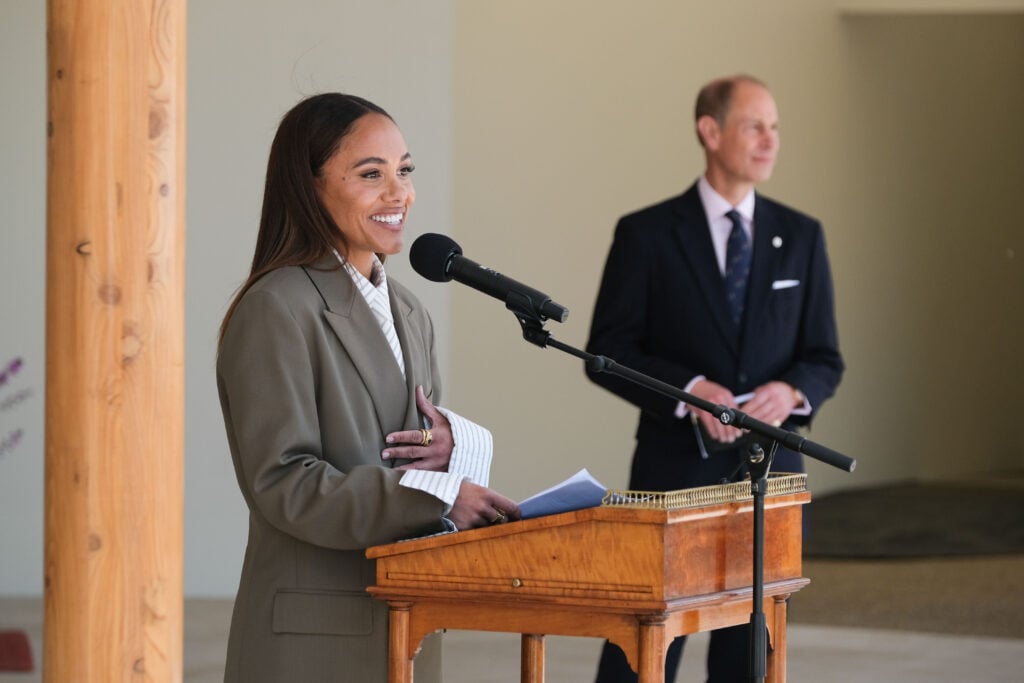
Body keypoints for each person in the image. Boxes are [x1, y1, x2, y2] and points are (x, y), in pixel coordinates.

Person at [216, 93, 521, 683]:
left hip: (405, 621)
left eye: (404, 171)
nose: (398, 193)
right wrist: (433, 496)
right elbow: (284, 485)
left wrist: (455, 447)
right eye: (370, 174)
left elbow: (404, 444)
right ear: (308, 186)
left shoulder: (409, 312)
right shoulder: (277, 308)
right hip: (314, 640)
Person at [585, 75, 844, 682]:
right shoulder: (646, 233)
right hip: (672, 475)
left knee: (749, 650)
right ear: (710, 130)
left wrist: (794, 391)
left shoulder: (802, 237)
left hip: (771, 478)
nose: (770, 140)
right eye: (756, 125)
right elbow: (607, 351)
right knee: (643, 644)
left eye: (775, 127)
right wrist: (689, 390)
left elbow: (825, 357)